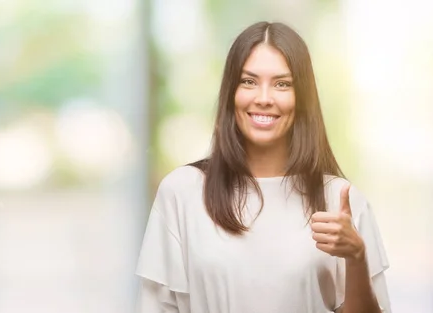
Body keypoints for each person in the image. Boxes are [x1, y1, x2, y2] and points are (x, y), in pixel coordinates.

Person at [134, 21, 391, 313]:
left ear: (302, 98)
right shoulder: (182, 192)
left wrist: (356, 256)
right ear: (231, 92)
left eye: (282, 84)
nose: (264, 98)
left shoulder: (340, 200)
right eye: (249, 81)